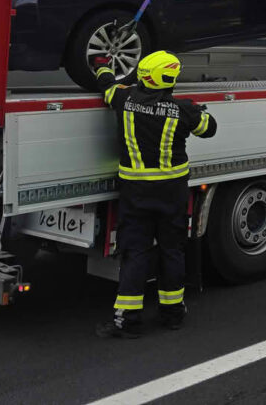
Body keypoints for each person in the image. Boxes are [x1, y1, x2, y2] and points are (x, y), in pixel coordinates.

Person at [93, 51, 217, 339]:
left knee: (135, 252)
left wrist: (102, 66)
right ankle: (172, 314)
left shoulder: (124, 99)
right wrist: (199, 111)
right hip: (172, 192)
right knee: (172, 250)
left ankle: (127, 321)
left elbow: (107, 86)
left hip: (136, 193)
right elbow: (209, 129)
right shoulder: (183, 110)